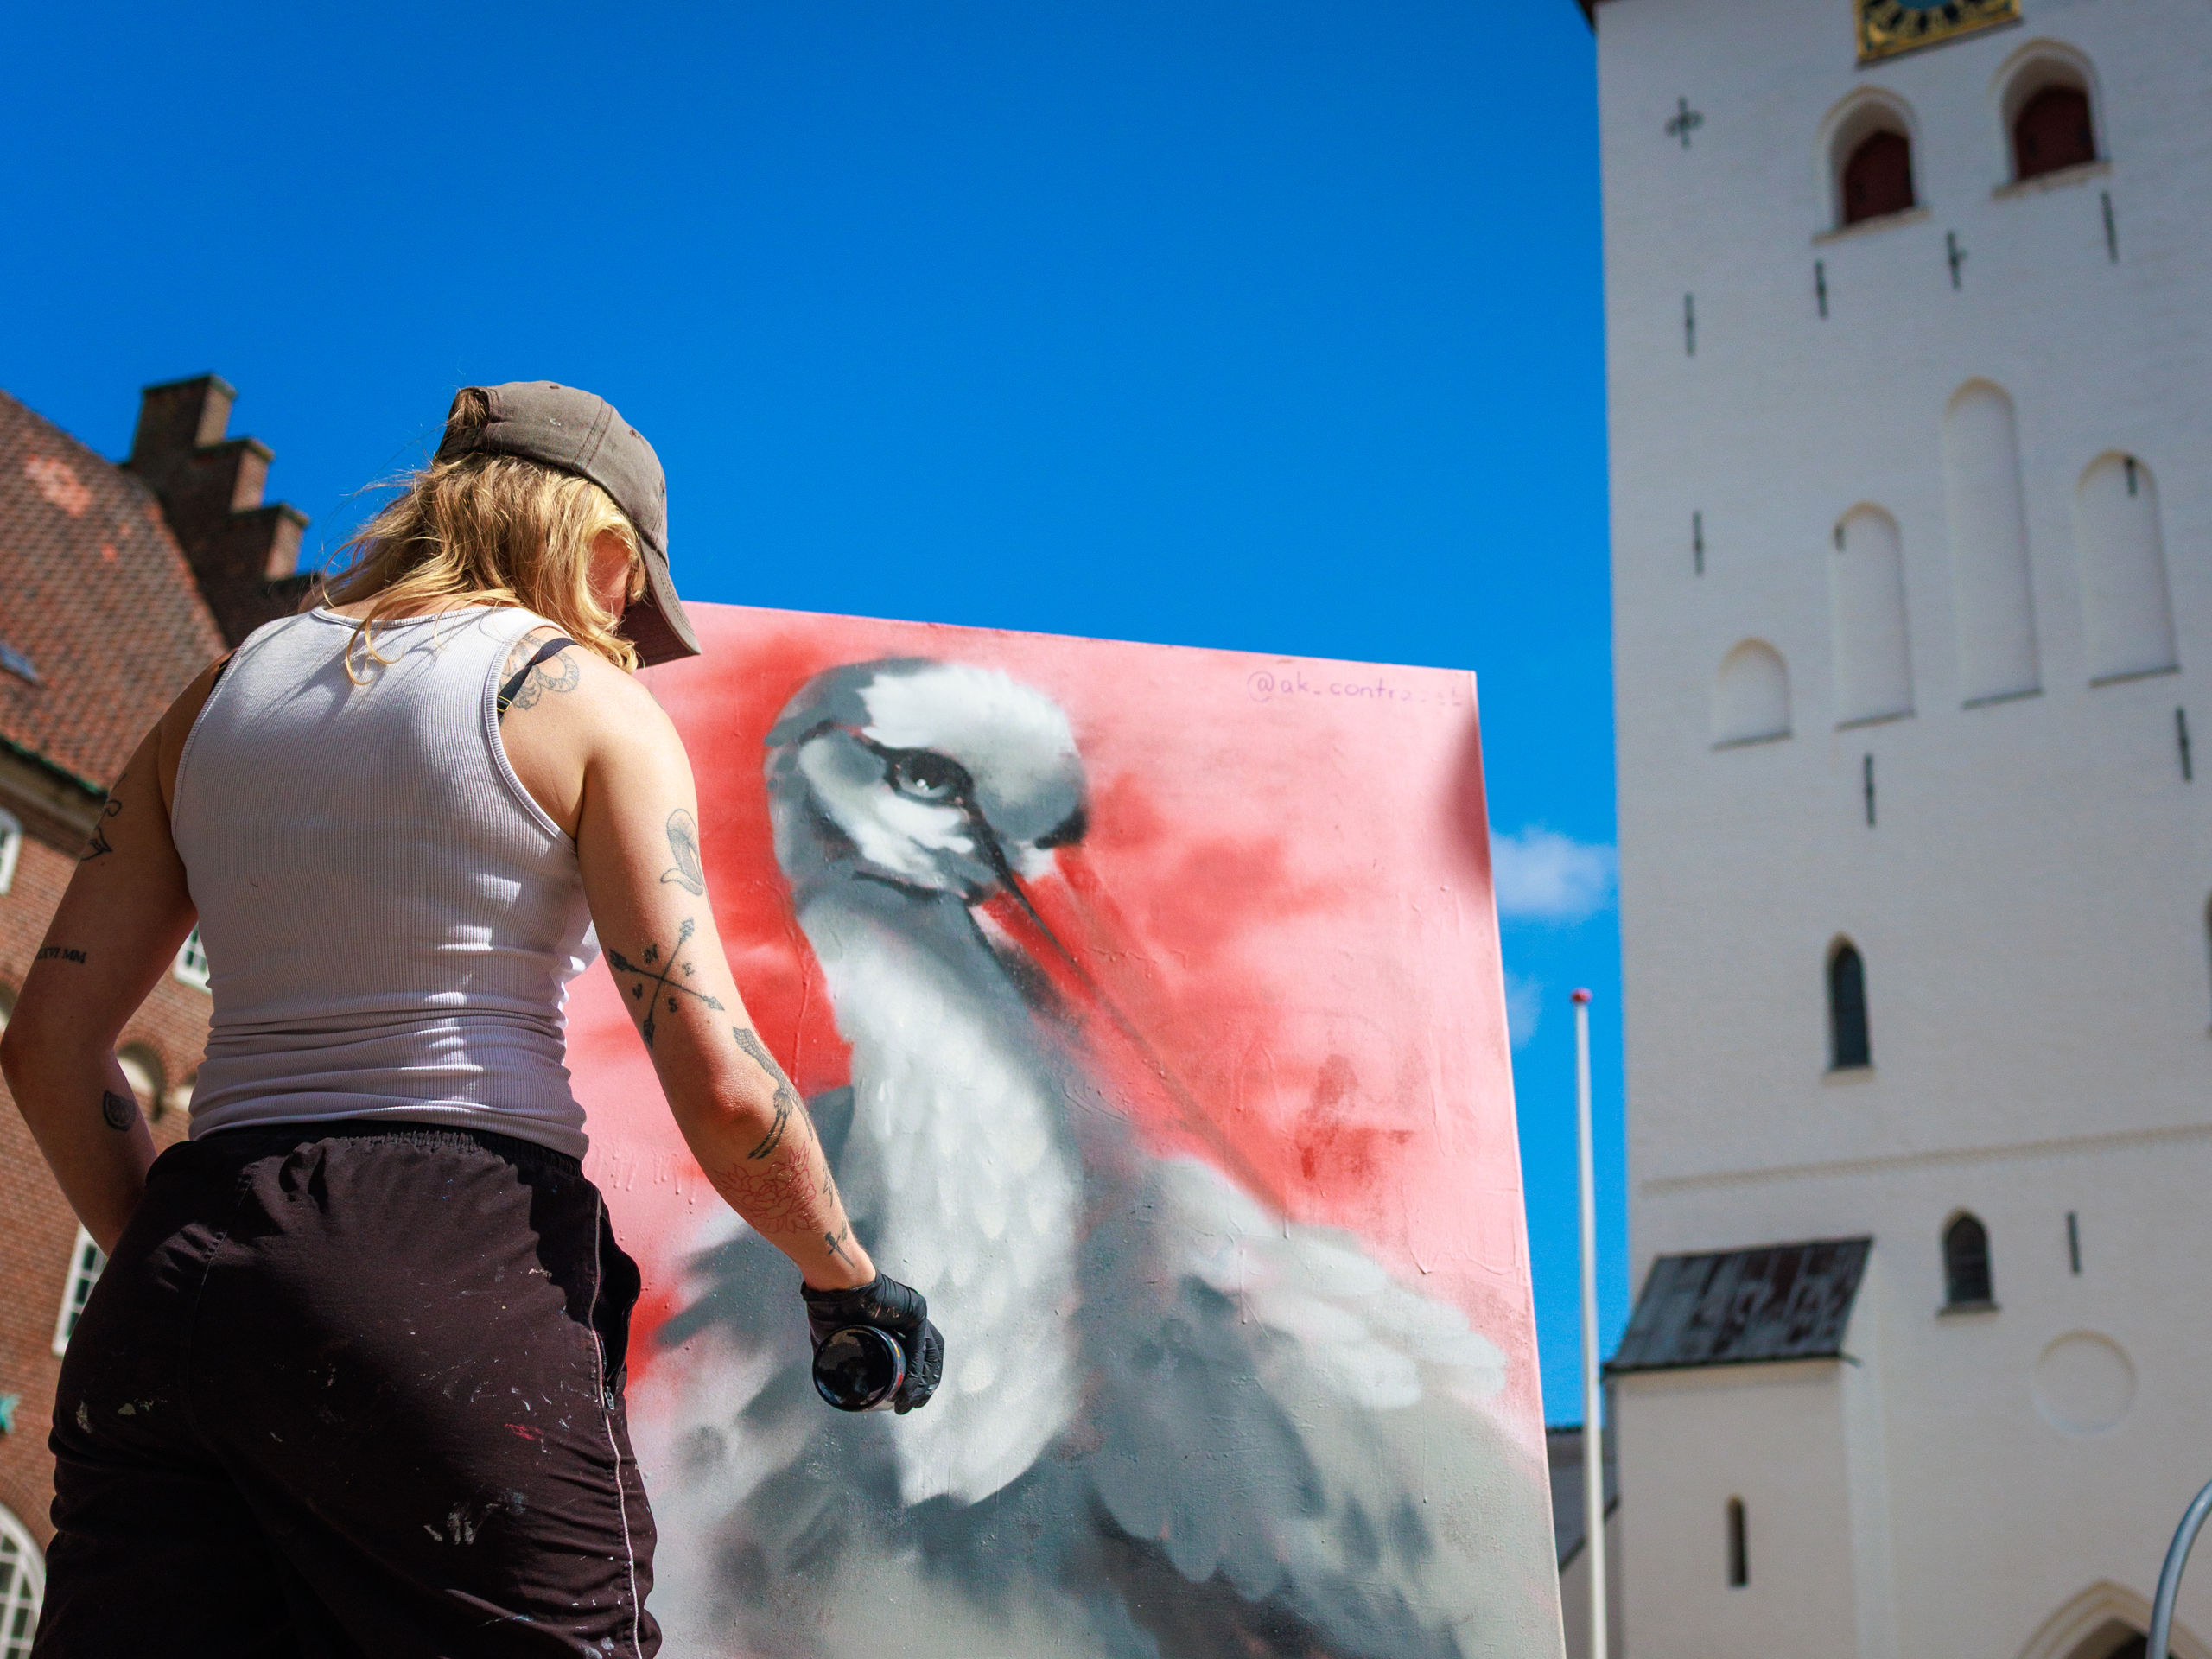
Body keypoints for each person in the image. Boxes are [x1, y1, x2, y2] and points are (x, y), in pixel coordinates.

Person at [3, 381, 943, 1656]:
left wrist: (204, 1270)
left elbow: (48, 1043)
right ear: (601, 547)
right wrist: (850, 1283)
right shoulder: (577, 697)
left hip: (178, 1276)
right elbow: (724, 1085)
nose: (627, 627)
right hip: (444, 1252)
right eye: (635, 594)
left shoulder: (215, 696)